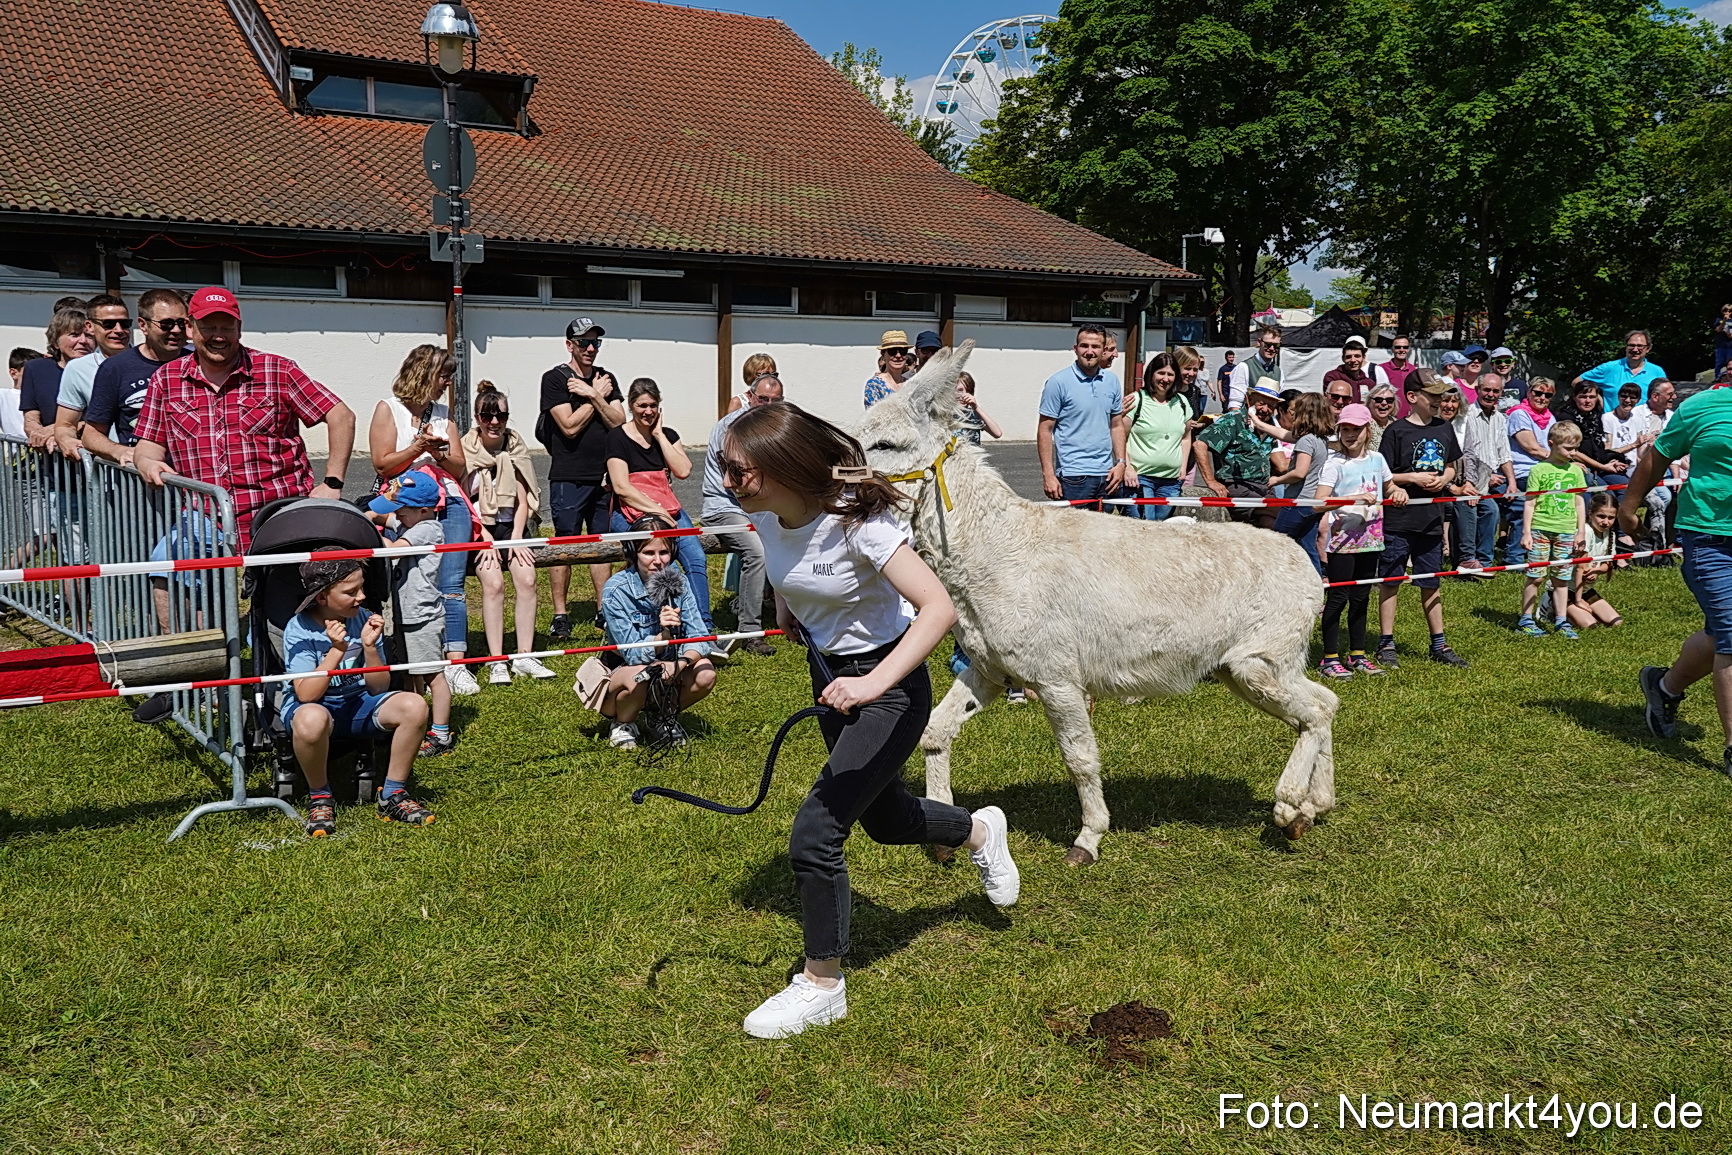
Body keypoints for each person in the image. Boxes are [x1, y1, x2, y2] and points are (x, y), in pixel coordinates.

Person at [720, 401, 1018, 1038]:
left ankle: (821, 984)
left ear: (784, 466)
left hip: (889, 684)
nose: (727, 481)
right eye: (724, 467)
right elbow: (791, 570)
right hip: (832, 677)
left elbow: (939, 610)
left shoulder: (862, 522)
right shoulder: (767, 516)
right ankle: (978, 833)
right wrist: (792, 614)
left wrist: (875, 681)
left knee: (816, 831)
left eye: (739, 470)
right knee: (883, 820)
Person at [132, 288, 355, 552]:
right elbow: (149, 444)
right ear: (190, 329)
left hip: (277, 513)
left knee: (280, 591)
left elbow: (341, 416)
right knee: (168, 581)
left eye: (227, 327)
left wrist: (332, 483)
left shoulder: (277, 370)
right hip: (203, 517)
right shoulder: (166, 379)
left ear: (239, 328)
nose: (218, 336)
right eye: (208, 327)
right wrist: (146, 462)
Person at [281, 558, 434, 838]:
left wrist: (370, 647)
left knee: (414, 706)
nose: (361, 597)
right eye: (351, 592)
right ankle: (320, 797)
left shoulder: (362, 618)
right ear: (323, 596)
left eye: (361, 589)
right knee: (310, 718)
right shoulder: (299, 628)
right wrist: (337, 650)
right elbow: (306, 695)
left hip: (356, 703)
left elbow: (379, 688)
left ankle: (393, 794)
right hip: (315, 708)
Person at [1624, 384, 1732, 771]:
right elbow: (1659, 456)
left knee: (1719, 634)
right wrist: (1628, 506)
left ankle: (1664, 686)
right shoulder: (1703, 407)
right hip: (1710, 537)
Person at [368, 344, 478, 695]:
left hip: (449, 501)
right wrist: (418, 448)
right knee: (410, 581)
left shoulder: (444, 413)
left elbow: (460, 467)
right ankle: (418, 661)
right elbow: (382, 464)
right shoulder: (389, 409)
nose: (447, 383)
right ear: (423, 373)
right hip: (405, 502)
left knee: (452, 584)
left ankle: (456, 664)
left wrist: (439, 453)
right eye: (443, 375)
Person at [595, 516, 718, 749]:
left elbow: (701, 638)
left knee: (705, 674)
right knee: (642, 674)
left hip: (670, 665)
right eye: (649, 553)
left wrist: (679, 664)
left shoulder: (678, 581)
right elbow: (631, 654)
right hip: (625, 670)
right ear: (633, 553)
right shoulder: (616, 589)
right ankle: (622, 723)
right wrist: (663, 636)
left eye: (664, 553)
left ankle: (661, 716)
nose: (658, 561)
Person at [461, 381, 554, 683]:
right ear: (477, 418)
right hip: (479, 528)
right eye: (487, 416)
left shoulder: (515, 445)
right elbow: (463, 500)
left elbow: (523, 498)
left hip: (511, 525)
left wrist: (516, 536)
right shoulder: (466, 449)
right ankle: (497, 660)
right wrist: (485, 538)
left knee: (527, 579)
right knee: (494, 584)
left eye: (500, 415)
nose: (494, 422)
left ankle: (525, 656)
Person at [1375, 373, 1469, 669]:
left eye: (1442, 396)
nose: (1440, 402)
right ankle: (1386, 642)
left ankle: (1439, 643)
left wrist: (1445, 478)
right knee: (1391, 580)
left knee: (1431, 581)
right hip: (1399, 519)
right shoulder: (1396, 431)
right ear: (1413, 398)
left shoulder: (1444, 428)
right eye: (1434, 396)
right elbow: (1383, 473)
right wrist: (1411, 478)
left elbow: (1452, 467)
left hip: (1431, 518)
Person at [540, 317, 626, 641]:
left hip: (604, 477)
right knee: (565, 543)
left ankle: (604, 611)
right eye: (583, 342)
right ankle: (560, 615)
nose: (590, 348)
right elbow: (569, 426)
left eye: (596, 343)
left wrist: (591, 393)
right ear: (569, 345)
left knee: (602, 544)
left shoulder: (605, 379)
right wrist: (597, 398)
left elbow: (619, 422)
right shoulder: (554, 379)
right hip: (569, 476)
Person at [605, 378, 712, 633]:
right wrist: (657, 510)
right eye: (642, 405)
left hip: (669, 511)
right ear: (631, 406)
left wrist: (659, 436)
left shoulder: (668, 435)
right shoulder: (617, 438)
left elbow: (684, 470)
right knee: (666, 564)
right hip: (631, 512)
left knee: (696, 559)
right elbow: (621, 487)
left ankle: (704, 629)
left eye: (653, 405)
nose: (648, 411)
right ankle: (681, 629)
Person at [1314, 403, 1406, 678]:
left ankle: (1357, 654)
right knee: (1338, 597)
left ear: (1367, 430)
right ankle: (1329, 658)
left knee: (1361, 597)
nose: (1350, 435)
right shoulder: (1334, 464)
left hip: (1372, 539)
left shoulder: (1377, 460)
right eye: (1345, 429)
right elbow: (1318, 503)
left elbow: (1389, 486)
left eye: (1356, 429)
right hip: (1343, 542)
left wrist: (1398, 491)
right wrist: (1351, 500)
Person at [370, 472, 457, 753]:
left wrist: (369, 535)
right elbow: (386, 518)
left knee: (433, 675)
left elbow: (393, 550)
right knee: (410, 673)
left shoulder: (427, 529)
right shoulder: (413, 521)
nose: (397, 516)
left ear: (422, 510)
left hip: (422, 617)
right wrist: (368, 515)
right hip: (405, 615)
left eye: (401, 511)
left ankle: (441, 734)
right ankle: (416, 722)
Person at [701, 372, 783, 658]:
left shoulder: (774, 425)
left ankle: (797, 616)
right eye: (763, 399)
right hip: (724, 507)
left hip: (757, 506)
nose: (768, 405)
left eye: (775, 400)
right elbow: (737, 481)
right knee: (758, 552)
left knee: (797, 533)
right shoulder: (732, 428)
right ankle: (750, 631)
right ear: (750, 397)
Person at [83, 289, 189, 466]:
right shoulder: (116, 368)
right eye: (166, 324)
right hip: (140, 484)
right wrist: (119, 451)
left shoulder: (198, 363)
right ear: (143, 325)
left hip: (193, 481)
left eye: (182, 323)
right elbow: (91, 433)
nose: (176, 330)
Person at [1037, 324, 1129, 508]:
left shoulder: (1111, 381)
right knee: (1072, 535)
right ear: (1075, 348)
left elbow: (1116, 425)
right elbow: (1045, 430)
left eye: (1095, 346)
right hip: (1073, 476)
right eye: (1084, 346)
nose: (1089, 351)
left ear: (1103, 350)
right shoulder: (1058, 382)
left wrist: (1121, 463)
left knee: (1106, 534)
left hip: (1107, 474)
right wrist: (1048, 475)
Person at [1516, 422, 1589, 639]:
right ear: (1552, 444)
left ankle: (1560, 620)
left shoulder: (1576, 471)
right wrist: (1526, 532)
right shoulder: (1538, 470)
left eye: (1575, 448)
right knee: (1536, 576)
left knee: (1561, 577)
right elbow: (1529, 502)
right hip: (1540, 528)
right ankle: (1526, 618)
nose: (1573, 453)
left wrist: (1581, 532)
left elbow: (1579, 503)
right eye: (1568, 448)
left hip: (1566, 530)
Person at [51, 293, 132, 459]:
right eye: (108, 324)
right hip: (110, 472)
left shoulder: (149, 361)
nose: (118, 330)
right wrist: (66, 439)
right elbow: (65, 424)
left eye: (124, 324)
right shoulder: (78, 368)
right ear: (89, 326)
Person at [1194, 379, 1281, 529]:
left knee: (1273, 523)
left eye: (1271, 406)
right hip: (1238, 486)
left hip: (1264, 488)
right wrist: (1210, 481)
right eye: (1261, 403)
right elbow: (1199, 444)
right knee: (1282, 513)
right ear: (1249, 399)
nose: (1265, 409)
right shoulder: (1233, 421)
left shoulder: (1270, 425)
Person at [1452, 370, 1516, 574]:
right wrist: (1485, 478)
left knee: (1518, 502)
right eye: (1486, 389)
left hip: (1493, 478)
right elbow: (1466, 455)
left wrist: (1512, 482)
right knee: (1488, 509)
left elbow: (1504, 453)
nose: (1490, 394)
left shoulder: (1501, 418)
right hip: (1468, 479)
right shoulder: (1466, 416)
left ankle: (1492, 560)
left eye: (1495, 391)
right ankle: (1475, 560)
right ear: (1477, 390)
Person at [1123, 352, 1194, 521]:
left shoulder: (1182, 403)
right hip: (1140, 479)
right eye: (1161, 373)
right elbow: (1120, 437)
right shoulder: (1136, 400)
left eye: (1170, 374)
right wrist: (1127, 467)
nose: (1165, 379)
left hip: (1171, 480)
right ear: (1151, 374)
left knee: (1161, 531)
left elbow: (1185, 437)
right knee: (1144, 528)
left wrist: (1183, 467)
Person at [1269, 391, 1334, 572]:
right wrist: (1258, 423)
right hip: (1311, 502)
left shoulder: (1305, 441)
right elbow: (1282, 434)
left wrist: (1277, 480)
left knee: (1276, 543)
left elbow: (1299, 472)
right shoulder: (1320, 440)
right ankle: (1317, 586)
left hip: (1297, 502)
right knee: (1308, 547)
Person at [1503, 375, 1558, 565]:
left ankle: (1547, 552)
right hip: (1523, 471)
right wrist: (1562, 460)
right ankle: (1514, 558)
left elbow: (1559, 444)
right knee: (1524, 513)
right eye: (1538, 393)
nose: (1542, 397)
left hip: (1547, 468)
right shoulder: (1519, 414)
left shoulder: (1549, 416)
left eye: (1547, 395)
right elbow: (1532, 448)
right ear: (1529, 392)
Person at [20, 307, 93, 449]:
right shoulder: (36, 369)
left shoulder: (103, 370)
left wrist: (58, 432)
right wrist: (38, 435)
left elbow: (101, 421)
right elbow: (31, 417)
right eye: (74, 335)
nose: (83, 341)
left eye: (89, 336)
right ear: (55, 342)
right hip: (50, 458)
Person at [1567, 494, 1625, 630]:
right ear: (1590, 514)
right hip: (1567, 589)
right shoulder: (1586, 532)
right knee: (1590, 625)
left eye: (1611, 518)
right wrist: (1578, 600)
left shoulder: (1610, 533)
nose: (1606, 522)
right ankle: (1553, 608)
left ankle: (1579, 610)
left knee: (1617, 622)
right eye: (1601, 516)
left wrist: (1596, 570)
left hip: (1586, 589)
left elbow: (1608, 565)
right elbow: (1580, 569)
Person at [1576, 329, 1667, 407]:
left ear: (1648, 349)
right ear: (1626, 347)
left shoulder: (1657, 372)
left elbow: (1665, 397)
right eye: (1631, 345)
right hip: (1612, 424)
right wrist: (1598, 399)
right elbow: (1577, 382)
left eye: (1640, 346)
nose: (1635, 349)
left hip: (1644, 424)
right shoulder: (1609, 368)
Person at [1563, 380, 1625, 487]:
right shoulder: (1566, 418)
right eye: (1583, 396)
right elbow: (1572, 451)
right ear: (1574, 397)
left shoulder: (1596, 417)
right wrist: (1602, 466)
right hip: (1580, 466)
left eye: (1592, 397)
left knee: (1625, 486)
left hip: (1600, 466)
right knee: (1606, 495)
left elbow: (1601, 446)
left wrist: (1611, 460)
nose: (1588, 401)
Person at [1225, 326, 1281, 411]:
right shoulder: (1244, 367)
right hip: (1247, 420)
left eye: (1276, 345)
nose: (1272, 348)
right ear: (1259, 342)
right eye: (1268, 344)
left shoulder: (1279, 372)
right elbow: (1235, 403)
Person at [863, 330, 912, 407]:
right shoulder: (874, 385)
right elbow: (874, 417)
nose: (898, 355)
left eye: (903, 351)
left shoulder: (911, 384)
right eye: (892, 351)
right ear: (883, 354)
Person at [1373, 334, 1419, 415]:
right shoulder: (1380, 369)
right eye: (1398, 347)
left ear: (1409, 349)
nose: (1402, 350)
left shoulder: (1414, 371)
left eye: (1405, 347)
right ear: (1392, 349)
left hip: (1409, 416)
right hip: (1387, 415)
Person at [953, 371, 1002, 447]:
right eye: (960, 390)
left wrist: (976, 407)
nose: (964, 394)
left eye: (968, 391)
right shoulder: (944, 415)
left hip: (972, 457)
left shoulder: (974, 415)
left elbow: (997, 433)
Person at [3, 348, 42, 439]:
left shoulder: (44, 395)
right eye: (30, 372)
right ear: (14, 373)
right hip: (16, 451)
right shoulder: (4, 396)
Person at [1321, 339, 1373, 404]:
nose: (1353, 360)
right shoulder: (1333, 377)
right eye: (1348, 357)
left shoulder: (1369, 383)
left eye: (1357, 356)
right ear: (1343, 359)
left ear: (1363, 358)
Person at [1172, 345, 1209, 418]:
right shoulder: (1167, 392)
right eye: (1187, 368)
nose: (1191, 373)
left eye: (1195, 370)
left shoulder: (1195, 391)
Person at [1365, 382, 1399, 451]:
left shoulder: (1398, 425)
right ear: (1369, 403)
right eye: (1378, 400)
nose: (1384, 403)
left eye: (1389, 400)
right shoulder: (1363, 426)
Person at [1713, 305, 1732, 376]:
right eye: (1725, 311)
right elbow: (1718, 330)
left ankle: (1729, 376)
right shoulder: (1718, 320)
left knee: (1729, 362)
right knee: (1719, 362)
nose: (1727, 313)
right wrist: (1724, 321)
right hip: (1721, 345)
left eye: (1729, 311)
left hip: (1730, 345)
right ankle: (1717, 376)